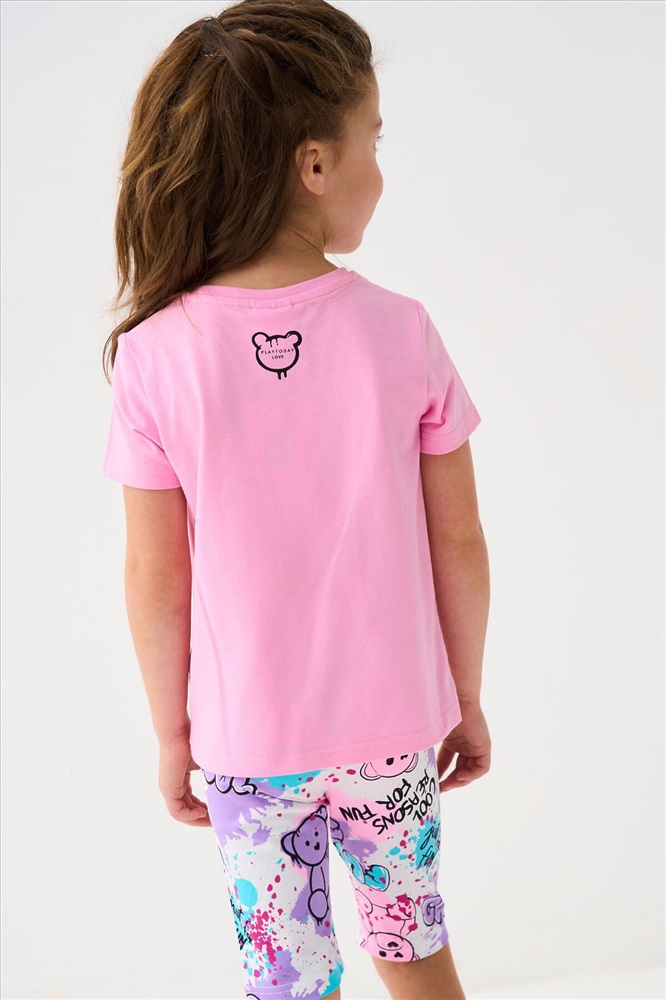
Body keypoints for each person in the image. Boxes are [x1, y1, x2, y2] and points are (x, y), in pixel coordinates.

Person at [100, 2, 491, 998]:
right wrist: (466, 696)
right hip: (394, 729)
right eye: (375, 141)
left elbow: (154, 574)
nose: (381, 170)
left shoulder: (156, 357)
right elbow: (458, 540)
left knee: (286, 980)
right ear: (315, 164)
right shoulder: (401, 332)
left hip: (249, 745)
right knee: (415, 952)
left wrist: (172, 734)